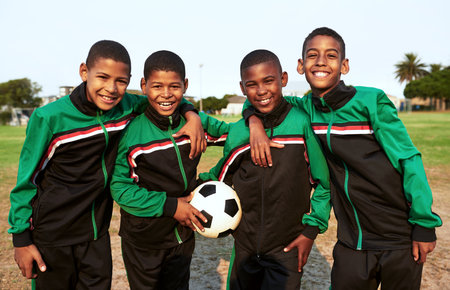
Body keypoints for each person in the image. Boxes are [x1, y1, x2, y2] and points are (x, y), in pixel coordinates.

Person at [245, 27, 442, 289]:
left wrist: (424, 224)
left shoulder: (371, 101)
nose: (321, 62)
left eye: (331, 55)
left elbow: (409, 159)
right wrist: (254, 122)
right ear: (301, 66)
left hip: (398, 237)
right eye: (313, 55)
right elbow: (263, 100)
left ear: (344, 65)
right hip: (352, 241)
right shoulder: (305, 109)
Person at [8, 40, 205, 289]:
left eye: (121, 81)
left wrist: (192, 114)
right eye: (102, 77)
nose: (111, 88)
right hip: (52, 237)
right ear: (83, 72)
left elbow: (164, 99)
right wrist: (21, 239)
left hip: (96, 235)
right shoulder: (50, 118)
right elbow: (26, 181)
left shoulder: (126, 107)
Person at [199, 49, 331, 290]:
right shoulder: (239, 132)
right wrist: (187, 193)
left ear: (284, 79)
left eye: (268, 81)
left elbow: (323, 183)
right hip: (245, 249)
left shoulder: (302, 124)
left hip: (287, 249)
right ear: (242, 87)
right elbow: (218, 177)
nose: (261, 91)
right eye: (252, 84)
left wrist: (311, 230)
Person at [110, 50, 231, 289]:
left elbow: (235, 138)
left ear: (185, 85)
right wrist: (172, 206)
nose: (166, 94)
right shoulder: (132, 134)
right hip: (143, 240)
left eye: (174, 86)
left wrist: (210, 179)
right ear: (143, 86)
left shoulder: (196, 124)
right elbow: (120, 188)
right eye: (157, 86)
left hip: (183, 236)